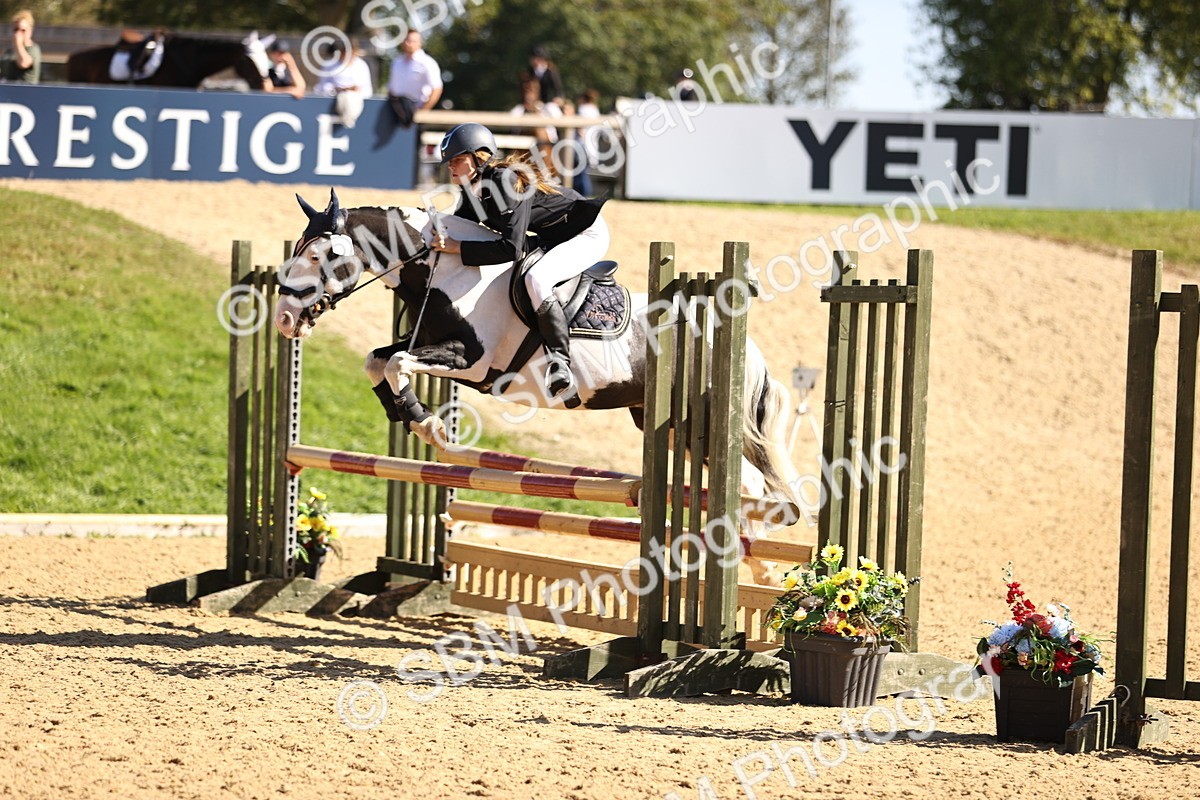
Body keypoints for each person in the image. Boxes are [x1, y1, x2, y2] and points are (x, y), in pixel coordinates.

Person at [431, 123, 609, 405]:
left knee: (535, 279)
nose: (450, 166)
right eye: (449, 161)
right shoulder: (472, 189)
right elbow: (459, 228)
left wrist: (459, 248)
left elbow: (511, 248)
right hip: (551, 237)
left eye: (457, 159)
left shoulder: (504, 181)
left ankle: (560, 362)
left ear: (479, 157)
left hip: (584, 233)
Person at [386, 29, 442, 127]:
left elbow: (436, 89)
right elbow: (391, 88)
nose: (408, 43)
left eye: (412, 41)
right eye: (406, 40)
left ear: (420, 43)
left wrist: (422, 111)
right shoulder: (397, 62)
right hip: (395, 111)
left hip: (414, 110)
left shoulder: (427, 63)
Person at [313, 37, 372, 128]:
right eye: (346, 52)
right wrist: (338, 90)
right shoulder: (330, 65)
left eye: (352, 53)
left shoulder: (362, 66)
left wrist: (355, 91)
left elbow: (367, 91)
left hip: (356, 102)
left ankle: (349, 118)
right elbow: (322, 87)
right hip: (332, 102)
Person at [572, 89, 601, 196]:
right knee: (583, 172)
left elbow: (580, 128)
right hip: (591, 145)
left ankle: (582, 196)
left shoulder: (582, 109)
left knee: (580, 174)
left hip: (581, 145)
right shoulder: (595, 110)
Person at [0, 9, 40, 84]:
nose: (18, 33)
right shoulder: (9, 52)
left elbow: (23, 63)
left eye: (23, 30)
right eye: (16, 30)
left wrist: (18, 44)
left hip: (25, 93)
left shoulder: (33, 49)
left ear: (30, 31)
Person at [527, 45, 564, 109]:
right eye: (534, 58)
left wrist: (559, 97)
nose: (536, 61)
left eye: (538, 59)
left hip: (550, 102)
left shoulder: (551, 71)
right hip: (535, 102)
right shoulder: (530, 71)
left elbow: (557, 87)